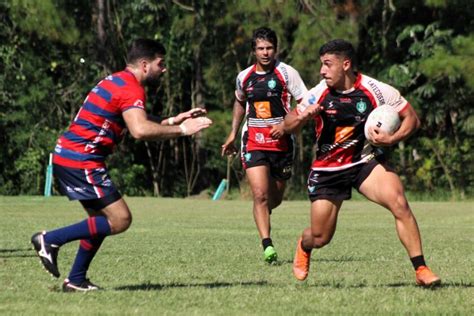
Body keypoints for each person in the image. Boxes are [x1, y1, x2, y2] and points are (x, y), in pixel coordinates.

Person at [31, 38, 212, 292]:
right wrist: (183, 130)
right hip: (81, 160)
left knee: (101, 219)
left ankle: (76, 280)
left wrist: (171, 119)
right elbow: (138, 130)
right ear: (145, 65)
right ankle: (49, 240)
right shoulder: (132, 88)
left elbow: (133, 116)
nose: (164, 69)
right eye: (162, 64)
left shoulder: (117, 80)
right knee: (120, 219)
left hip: (70, 156)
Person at [284, 39, 441, 287]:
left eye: (327, 64)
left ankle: (421, 268)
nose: (322, 71)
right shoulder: (317, 94)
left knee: (399, 203)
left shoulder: (377, 90)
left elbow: (411, 118)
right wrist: (302, 116)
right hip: (328, 170)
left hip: (363, 163)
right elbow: (286, 126)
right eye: (321, 65)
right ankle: (304, 246)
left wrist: (392, 138)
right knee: (320, 236)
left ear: (345, 64)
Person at [221, 27, 307, 264]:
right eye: (260, 48)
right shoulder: (244, 77)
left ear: (275, 49)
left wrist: (287, 126)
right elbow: (239, 102)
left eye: (269, 48)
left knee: (274, 199)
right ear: (253, 51)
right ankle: (267, 245)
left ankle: (265, 213)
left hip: (282, 145)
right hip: (253, 142)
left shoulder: (287, 74)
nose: (265, 52)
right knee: (259, 195)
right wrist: (232, 133)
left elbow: (306, 103)